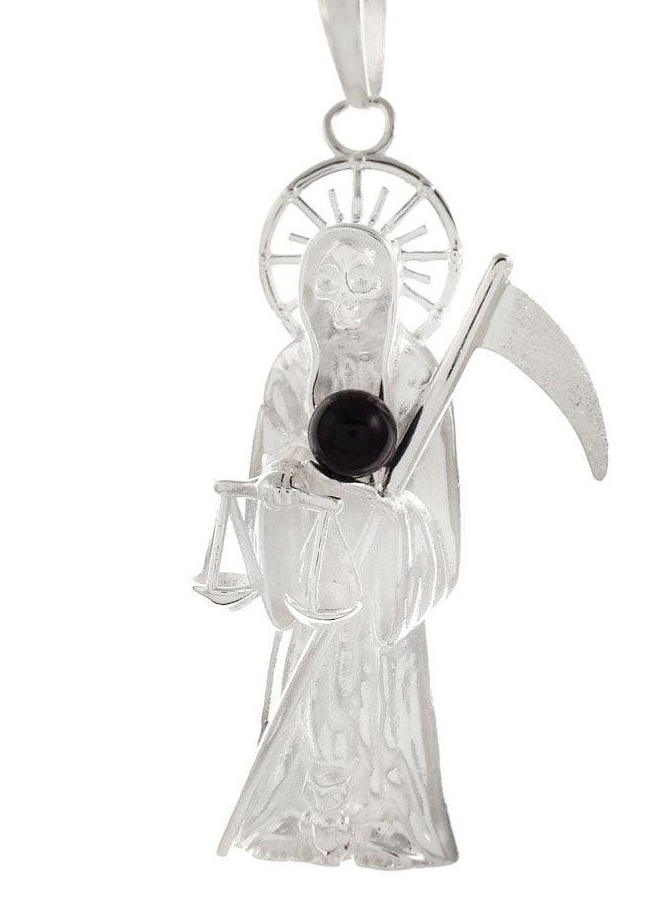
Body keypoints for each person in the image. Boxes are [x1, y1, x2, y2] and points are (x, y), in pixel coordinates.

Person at [220, 222, 461, 869]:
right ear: (304, 289)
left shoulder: (412, 370)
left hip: (381, 568)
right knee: (313, 695)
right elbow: (276, 454)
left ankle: (385, 822)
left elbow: (431, 485)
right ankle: (300, 816)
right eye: (326, 283)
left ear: (389, 286)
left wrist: (393, 511)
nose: (344, 300)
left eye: (361, 282)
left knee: (376, 689)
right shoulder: (294, 368)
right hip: (315, 558)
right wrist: (283, 481)